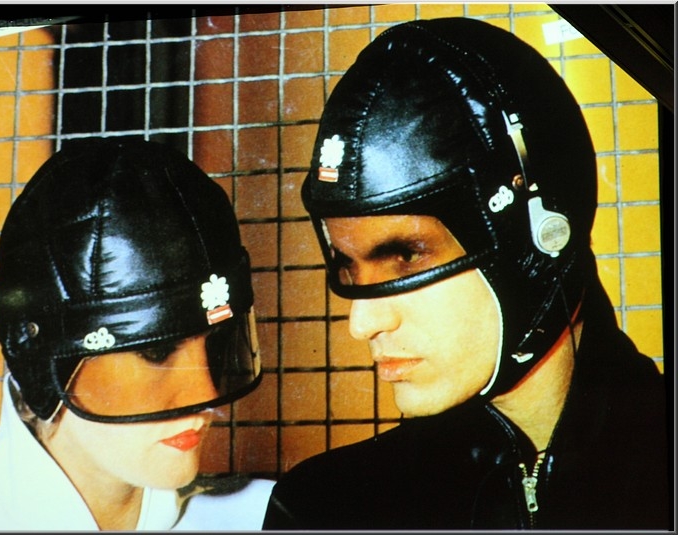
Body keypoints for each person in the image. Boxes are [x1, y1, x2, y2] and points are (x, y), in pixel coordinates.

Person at [262, 17, 670, 530]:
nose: (363, 324)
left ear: (537, 238)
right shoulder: (325, 509)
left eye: (406, 256)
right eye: (348, 264)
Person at [0, 138, 274, 531]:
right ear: (43, 366)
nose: (206, 396)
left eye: (215, 344)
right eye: (156, 351)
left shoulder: (272, 519)